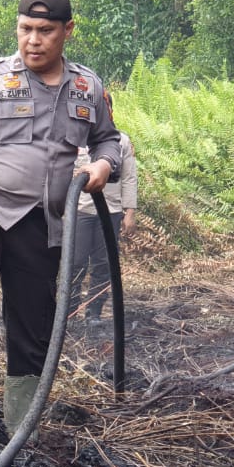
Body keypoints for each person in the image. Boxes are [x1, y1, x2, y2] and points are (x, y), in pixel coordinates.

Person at [0, 0, 122, 437]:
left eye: (44, 30)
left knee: (34, 323)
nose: (33, 40)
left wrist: (102, 163)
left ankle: (19, 432)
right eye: (25, 29)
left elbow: (109, 139)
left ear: (67, 31)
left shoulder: (86, 87)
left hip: (42, 224)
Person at [69, 136, 137, 328]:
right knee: (75, 262)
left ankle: (94, 313)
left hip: (111, 212)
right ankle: (70, 312)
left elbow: (129, 177)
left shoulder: (122, 140)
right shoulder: (77, 138)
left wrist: (130, 212)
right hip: (80, 211)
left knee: (103, 263)